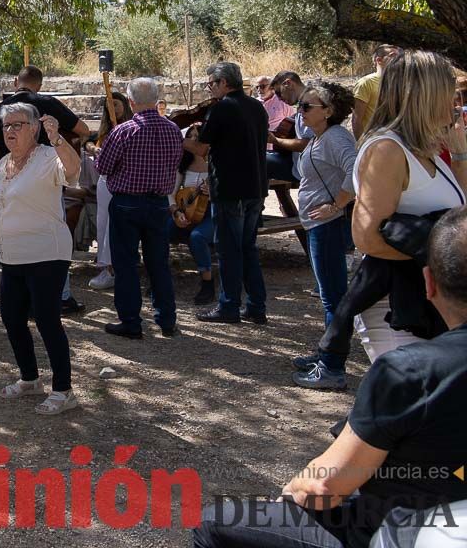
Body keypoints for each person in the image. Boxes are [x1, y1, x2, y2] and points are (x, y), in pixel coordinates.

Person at [194, 205, 467, 548]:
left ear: (428, 284)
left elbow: (326, 486)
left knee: (213, 523)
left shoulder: (409, 371)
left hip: (394, 532)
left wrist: (294, 492)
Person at [294, 51, 466, 389]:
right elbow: (367, 237)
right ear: (425, 95)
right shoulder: (387, 150)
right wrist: (445, 255)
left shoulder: (426, 149)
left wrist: (459, 152)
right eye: (450, 92)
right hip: (396, 306)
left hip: (433, 298)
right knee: (411, 407)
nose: (456, 102)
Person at [0, 101, 82, 414]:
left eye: (17, 125)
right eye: (6, 125)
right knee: (12, 319)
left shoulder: (48, 157)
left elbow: (73, 172)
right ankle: (30, 379)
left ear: (34, 128)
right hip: (11, 255)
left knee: (47, 320)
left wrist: (57, 137)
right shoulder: (5, 162)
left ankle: (64, 390)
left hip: (46, 253)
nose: (9, 131)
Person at [95, 78, 183, 339]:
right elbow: (175, 162)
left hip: (126, 202)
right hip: (158, 203)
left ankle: (131, 321)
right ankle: (167, 320)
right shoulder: (172, 130)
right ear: (157, 100)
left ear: (131, 102)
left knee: (126, 264)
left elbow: (103, 168)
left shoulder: (124, 131)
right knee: (158, 263)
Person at [184, 62, 270, 325]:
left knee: (229, 250)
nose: (210, 88)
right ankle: (256, 305)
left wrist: (176, 137)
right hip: (256, 187)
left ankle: (229, 306)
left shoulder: (221, 108)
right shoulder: (257, 106)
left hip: (230, 189)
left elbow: (202, 149)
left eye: (211, 83)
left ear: (223, 83)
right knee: (248, 248)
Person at [293, 83, 357, 333]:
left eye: (307, 106)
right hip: (318, 226)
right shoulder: (320, 137)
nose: (301, 110)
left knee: (333, 296)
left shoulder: (336, 137)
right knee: (330, 294)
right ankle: (328, 353)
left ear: (328, 111)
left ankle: (331, 360)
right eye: (300, 105)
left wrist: (335, 205)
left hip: (327, 226)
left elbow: (356, 171)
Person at [0, 65, 90, 164]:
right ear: (39, 87)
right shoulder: (50, 104)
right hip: (46, 173)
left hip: (10, 176)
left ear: (15, 82)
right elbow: (84, 130)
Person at [86, 91, 132, 292]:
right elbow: (89, 141)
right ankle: (106, 267)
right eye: (109, 104)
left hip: (123, 181)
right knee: (103, 223)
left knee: (117, 224)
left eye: (116, 103)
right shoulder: (106, 129)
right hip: (105, 182)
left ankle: (115, 269)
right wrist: (93, 149)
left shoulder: (130, 127)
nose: (113, 107)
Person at [171, 125, 217, 304]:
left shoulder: (215, 165)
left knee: (197, 237)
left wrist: (212, 192)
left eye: (199, 136)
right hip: (186, 213)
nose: (195, 140)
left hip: (211, 214)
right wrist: (176, 211)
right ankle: (159, 279)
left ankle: (207, 283)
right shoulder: (182, 164)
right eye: (191, 137)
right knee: (159, 231)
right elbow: (170, 193)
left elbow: (229, 193)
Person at [264, 70, 312, 183]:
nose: (279, 99)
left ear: (288, 83)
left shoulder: (310, 106)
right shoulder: (304, 104)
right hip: (298, 163)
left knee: (256, 161)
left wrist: (275, 140)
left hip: (306, 171)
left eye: (279, 93)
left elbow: (306, 144)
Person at [353, 43, 403, 140]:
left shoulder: (400, 83)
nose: (398, 59)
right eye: (393, 56)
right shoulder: (366, 83)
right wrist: (361, 144)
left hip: (396, 139)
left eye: (399, 56)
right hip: (373, 140)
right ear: (379, 60)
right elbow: (357, 120)